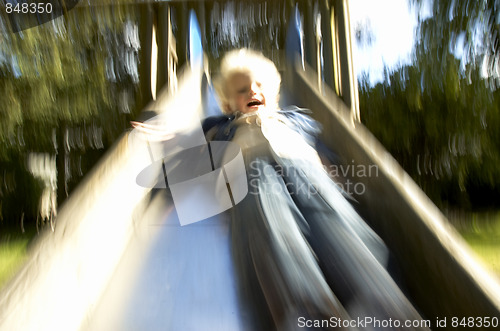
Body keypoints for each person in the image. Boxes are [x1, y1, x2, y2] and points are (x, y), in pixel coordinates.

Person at [202, 49, 428, 330]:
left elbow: (321, 154)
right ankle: (307, 311)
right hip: (250, 174)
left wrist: (336, 177)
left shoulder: (294, 120)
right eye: (241, 89)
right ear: (225, 105)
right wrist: (167, 139)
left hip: (302, 166)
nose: (252, 91)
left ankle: (383, 306)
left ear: (274, 95)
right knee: (270, 218)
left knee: (330, 216)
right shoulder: (221, 129)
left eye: (260, 86)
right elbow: (192, 154)